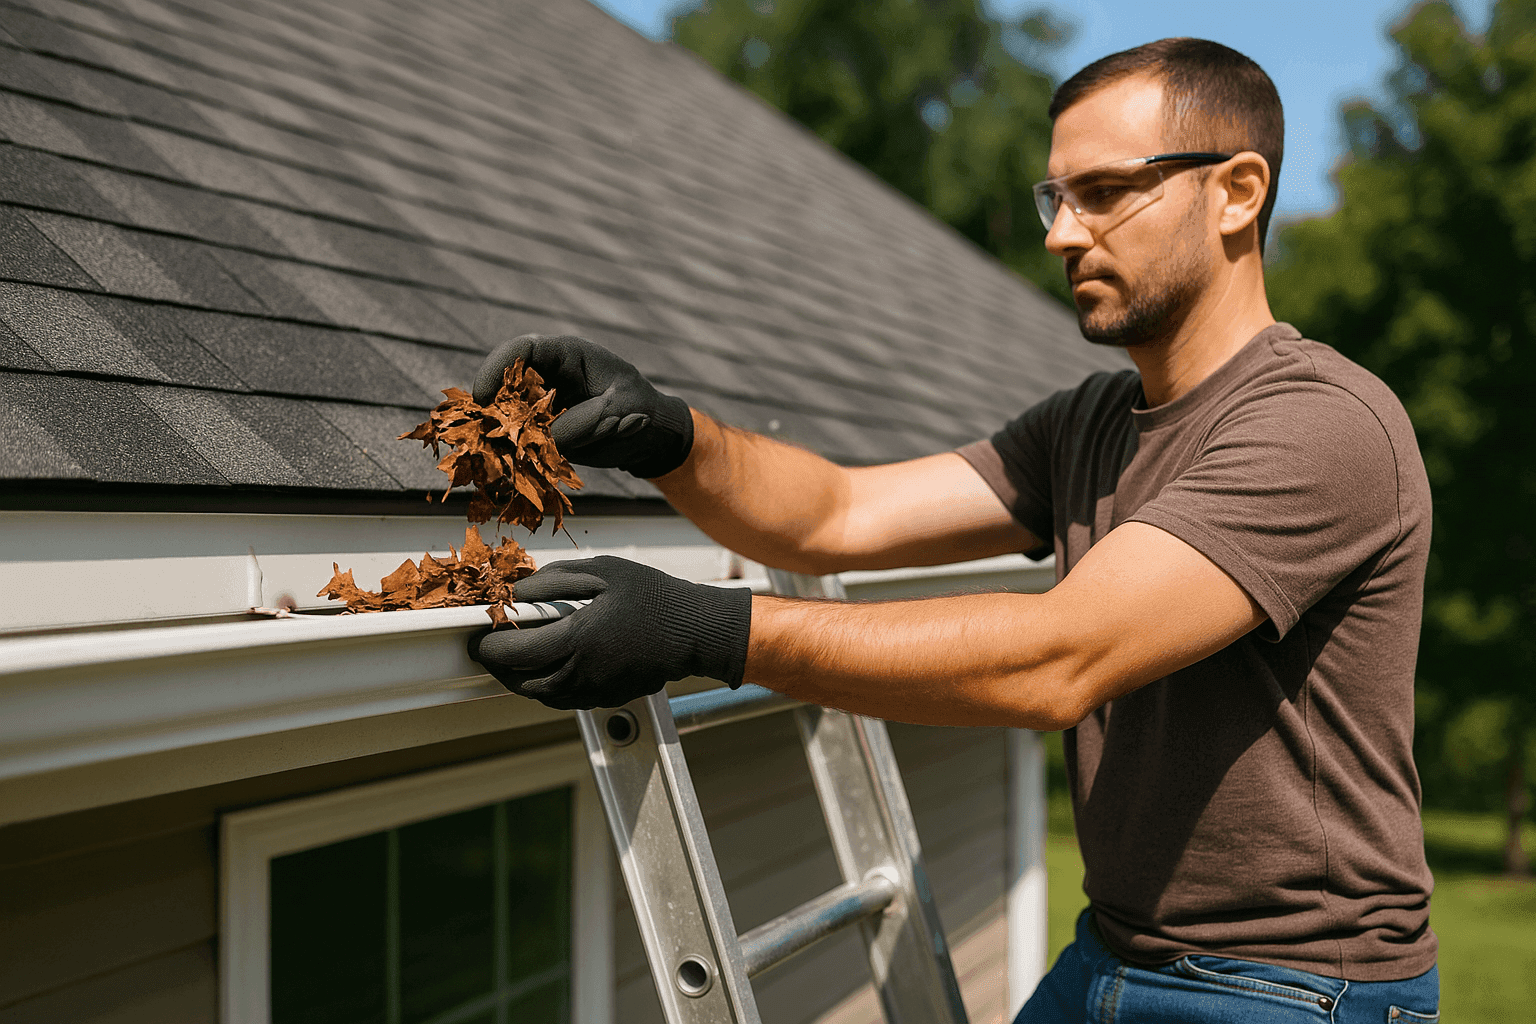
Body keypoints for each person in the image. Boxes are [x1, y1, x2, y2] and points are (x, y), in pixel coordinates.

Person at [467, 38, 1440, 1024]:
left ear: (1236, 192)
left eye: (1104, 192)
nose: (1063, 233)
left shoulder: (1320, 425)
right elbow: (837, 514)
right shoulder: (1088, 424)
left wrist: (703, 633)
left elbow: (1056, 660)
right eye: (1055, 197)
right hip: (1110, 950)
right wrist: (669, 435)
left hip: (1295, 986)